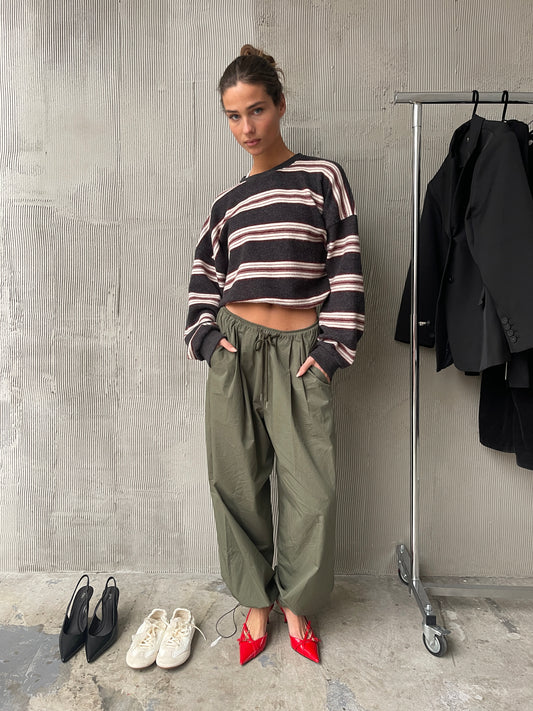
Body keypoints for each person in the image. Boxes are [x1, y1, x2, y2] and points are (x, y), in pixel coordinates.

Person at [185, 45, 364, 665]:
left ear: (280, 105)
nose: (247, 127)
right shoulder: (227, 202)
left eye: (256, 110)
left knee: (311, 491)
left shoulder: (323, 178)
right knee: (236, 481)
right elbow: (205, 274)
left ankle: (297, 602)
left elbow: (346, 263)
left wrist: (334, 348)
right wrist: (207, 338)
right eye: (233, 116)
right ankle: (255, 602)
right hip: (235, 349)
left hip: (300, 353)